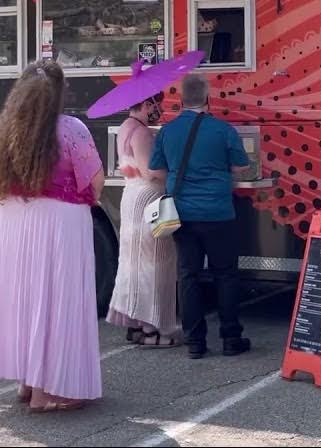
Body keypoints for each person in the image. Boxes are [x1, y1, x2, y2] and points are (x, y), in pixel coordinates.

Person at [0, 60, 105, 412]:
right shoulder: (72, 130)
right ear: (60, 93)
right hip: (60, 223)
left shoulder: (6, 131)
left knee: (24, 297)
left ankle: (28, 381)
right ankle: (47, 390)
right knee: (56, 298)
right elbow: (94, 181)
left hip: (13, 221)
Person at [149, 73, 251, 359]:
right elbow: (241, 167)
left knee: (189, 275)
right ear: (207, 99)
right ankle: (231, 338)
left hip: (181, 214)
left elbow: (156, 171)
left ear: (181, 100)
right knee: (226, 275)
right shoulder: (223, 130)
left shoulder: (167, 132)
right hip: (218, 212)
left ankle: (195, 342)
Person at [106, 92, 180, 347]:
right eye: (156, 103)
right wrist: (173, 170)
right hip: (149, 199)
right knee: (155, 261)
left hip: (131, 196)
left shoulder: (125, 127)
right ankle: (153, 328)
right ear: (147, 104)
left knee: (132, 261)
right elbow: (151, 171)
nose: (158, 108)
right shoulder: (142, 133)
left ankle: (136, 324)